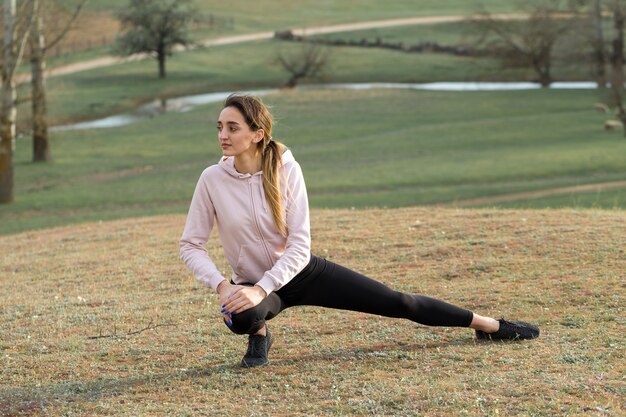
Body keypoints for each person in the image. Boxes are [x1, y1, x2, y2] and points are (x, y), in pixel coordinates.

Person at [180, 94, 539, 368]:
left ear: (257, 134)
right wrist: (225, 286)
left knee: (400, 303)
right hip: (251, 282)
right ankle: (259, 334)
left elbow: (300, 244)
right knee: (240, 316)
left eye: (232, 127)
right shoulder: (212, 180)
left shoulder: (286, 170)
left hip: (300, 272)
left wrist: (263, 288)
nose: (223, 135)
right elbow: (191, 245)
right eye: (220, 127)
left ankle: (489, 325)